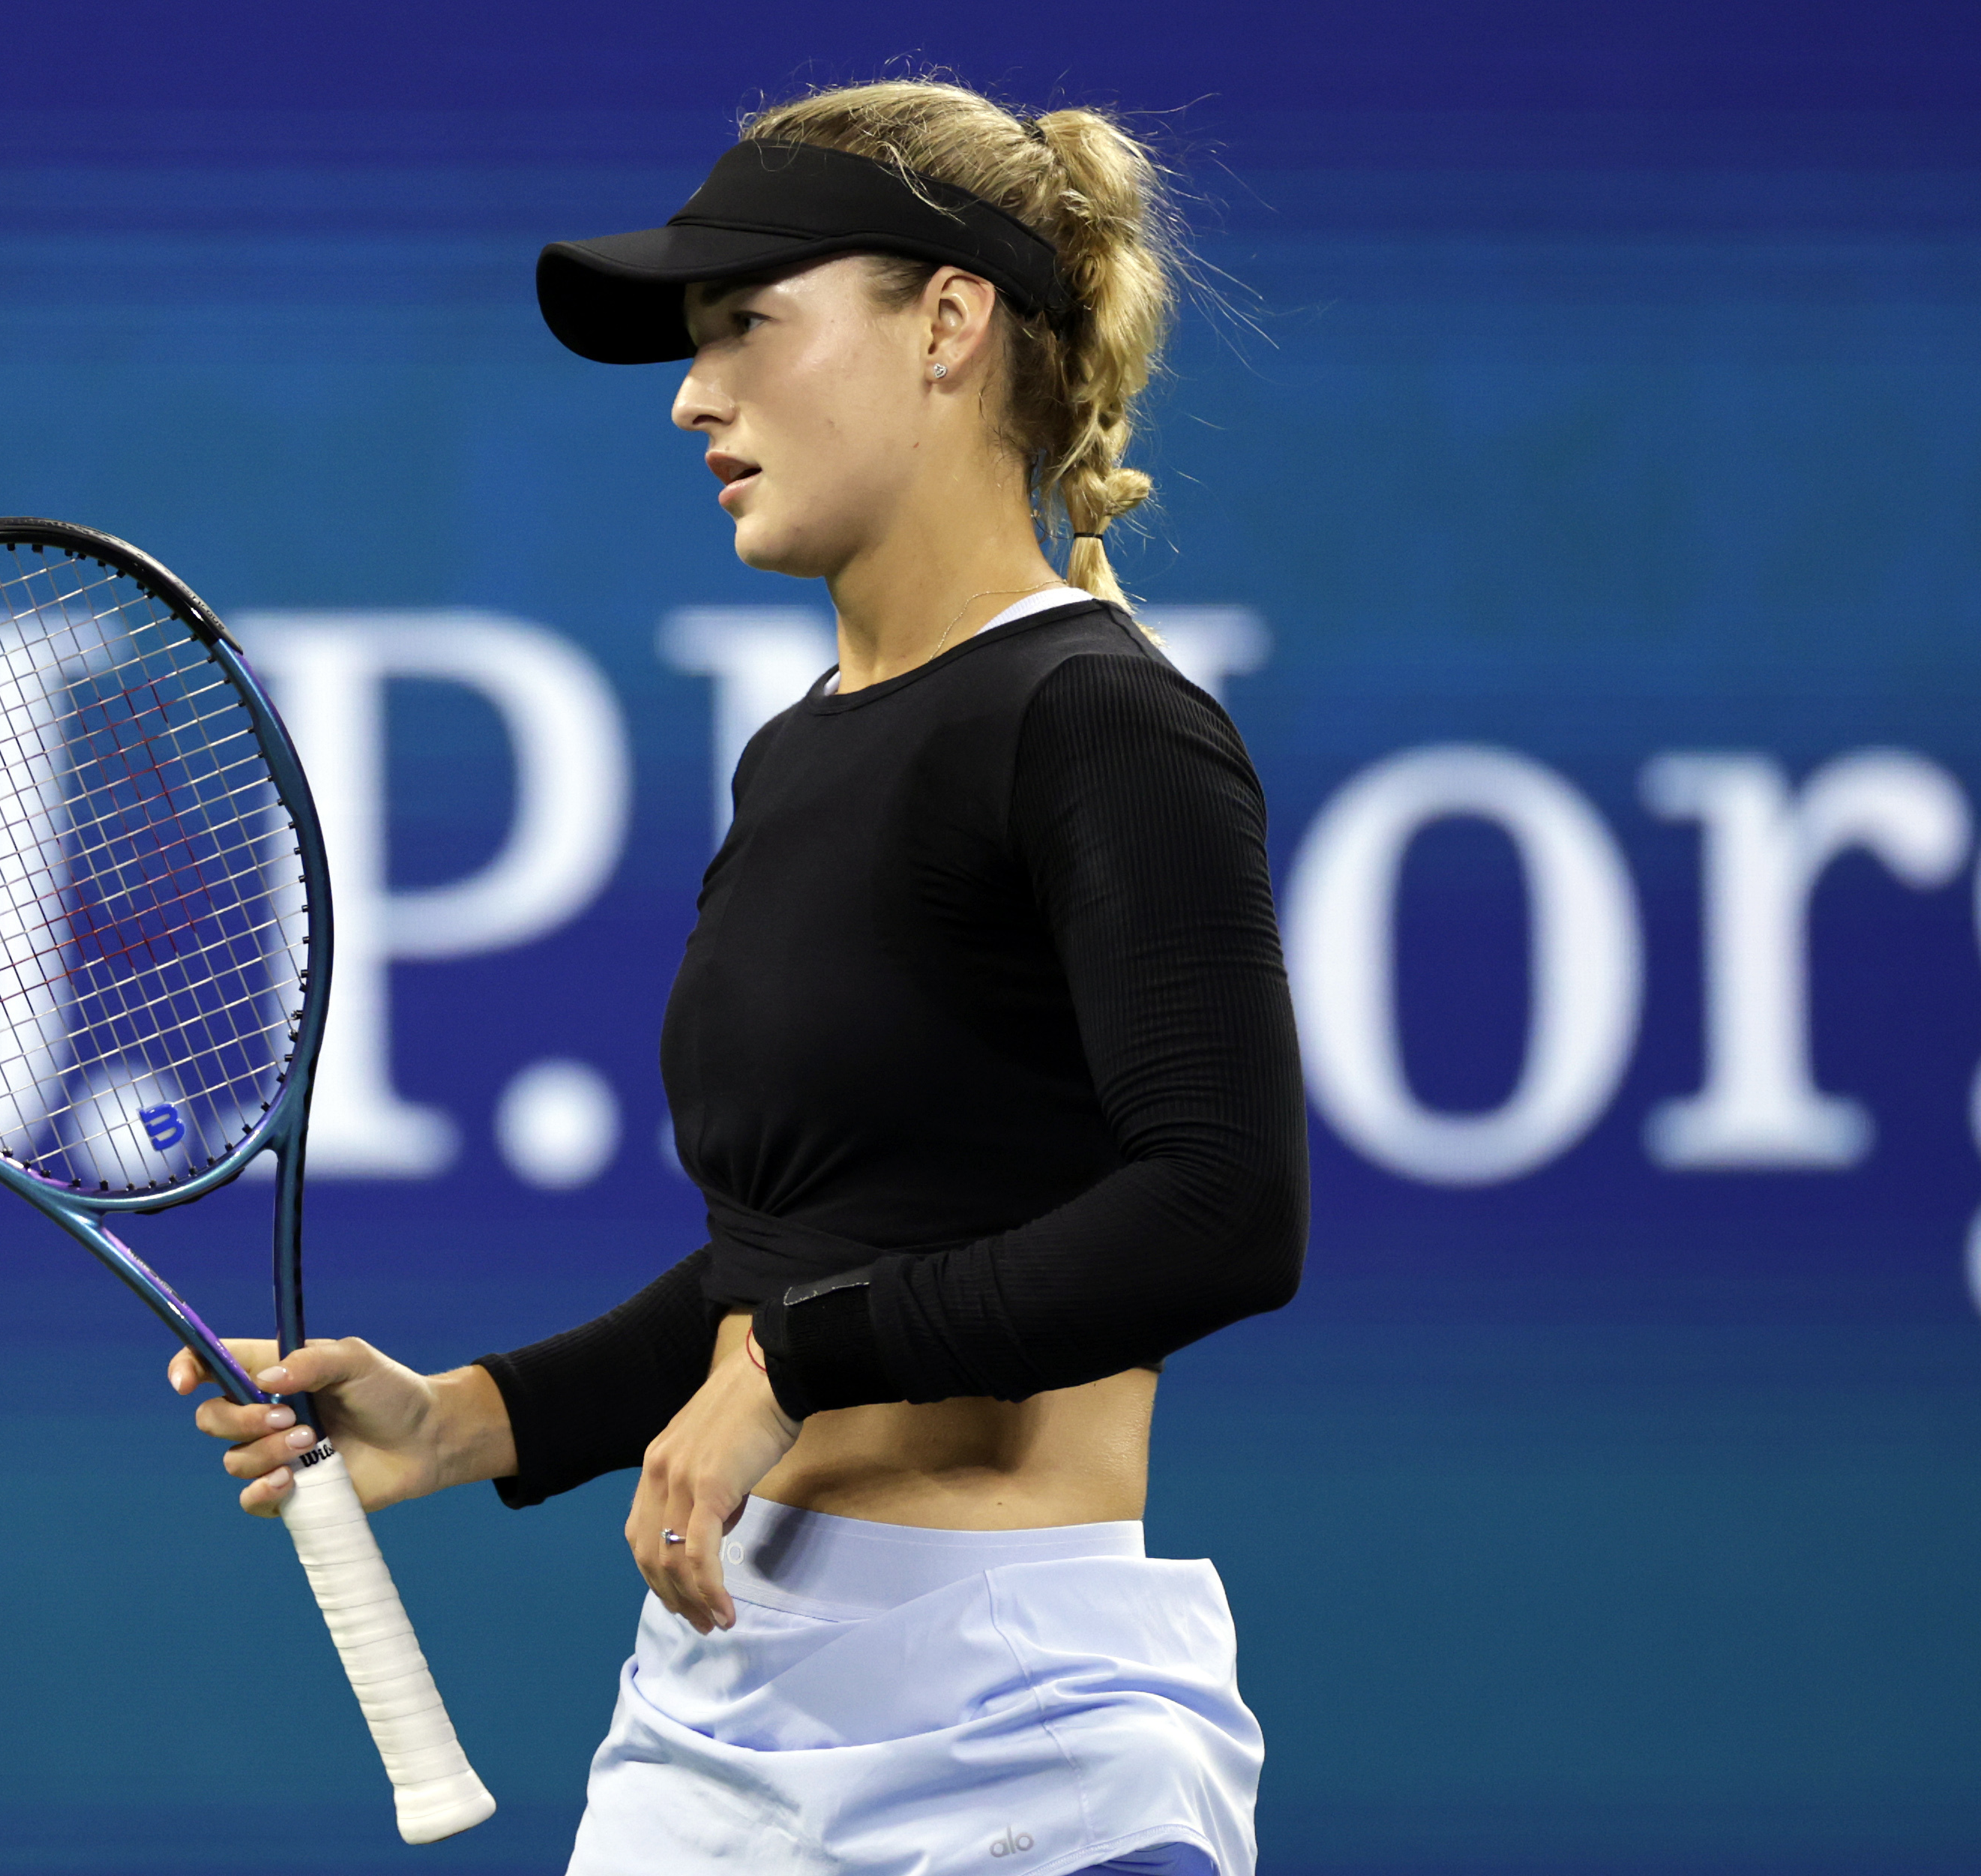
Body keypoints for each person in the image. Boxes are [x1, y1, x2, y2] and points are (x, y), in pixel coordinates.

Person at [169, 77, 1307, 1876]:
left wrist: (794, 1360)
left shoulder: (1098, 720)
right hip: (717, 1725)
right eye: (692, 345)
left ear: (948, 322)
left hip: (1028, 1740)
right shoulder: (798, 753)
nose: (694, 396)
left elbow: (1224, 1209)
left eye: (747, 326)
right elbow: (816, 1235)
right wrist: (476, 1414)